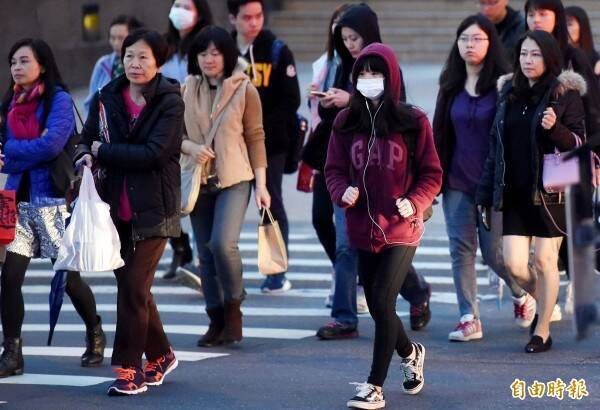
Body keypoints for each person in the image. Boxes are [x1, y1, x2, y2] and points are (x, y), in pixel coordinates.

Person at [326, 43, 442, 409]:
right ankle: (410, 353)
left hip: (401, 226)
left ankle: (374, 385)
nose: (369, 80)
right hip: (362, 226)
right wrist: (341, 191)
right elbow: (334, 169)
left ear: (391, 78)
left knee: (380, 299)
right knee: (380, 309)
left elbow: (432, 173)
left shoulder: (412, 121)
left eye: (376, 73)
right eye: (363, 73)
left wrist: (417, 200)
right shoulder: (346, 122)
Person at [311, 3, 432, 341]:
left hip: (381, 174)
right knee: (343, 238)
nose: (350, 45)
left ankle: (349, 314)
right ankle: (357, 310)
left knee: (365, 244)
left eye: (355, 37)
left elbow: (395, 114)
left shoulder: (385, 68)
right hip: (339, 165)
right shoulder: (335, 65)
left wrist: (346, 99)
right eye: (344, 38)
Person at [75, 29, 183, 395]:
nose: (135, 64)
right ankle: (162, 354)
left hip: (155, 210)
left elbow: (154, 153)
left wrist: (102, 150)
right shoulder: (108, 96)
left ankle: (128, 369)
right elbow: (84, 138)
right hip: (114, 210)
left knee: (134, 288)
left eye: (143, 57)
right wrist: (85, 154)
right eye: (129, 56)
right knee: (135, 290)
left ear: (159, 62)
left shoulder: (170, 101)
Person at [0, 39, 105, 378]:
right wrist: (15, 151)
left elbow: (51, 144)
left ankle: (95, 332)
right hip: (17, 199)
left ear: (42, 65)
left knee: (68, 279)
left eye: (24, 60)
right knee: (9, 278)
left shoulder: (58, 100)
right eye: (13, 61)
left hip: (54, 202)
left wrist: (14, 151)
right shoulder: (11, 103)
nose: (17, 67)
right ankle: (12, 352)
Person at [477, 30, 586, 353]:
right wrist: (485, 194)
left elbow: (577, 144)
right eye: (524, 54)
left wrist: (557, 129)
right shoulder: (508, 91)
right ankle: (546, 298)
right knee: (512, 264)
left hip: (551, 193)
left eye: (535, 54)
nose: (528, 60)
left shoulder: (563, 93)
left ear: (549, 57)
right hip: (514, 192)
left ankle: (541, 331)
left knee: (545, 259)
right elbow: (495, 147)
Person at [434, 15, 534, 342]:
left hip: (494, 185)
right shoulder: (449, 85)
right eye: (464, 39)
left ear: (490, 43)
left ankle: (522, 293)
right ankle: (469, 317)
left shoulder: (504, 86)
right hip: (456, 183)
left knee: (495, 255)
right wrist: (433, 178)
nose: (470, 45)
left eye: (477, 39)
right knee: (460, 249)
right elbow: (439, 134)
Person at [181, 26, 269, 347]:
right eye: (202, 53)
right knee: (204, 253)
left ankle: (234, 307)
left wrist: (262, 185)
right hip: (198, 180)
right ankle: (215, 318)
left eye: (215, 53)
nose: (208, 59)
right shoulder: (186, 90)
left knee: (222, 244)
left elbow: (256, 137)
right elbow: (175, 137)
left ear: (227, 55)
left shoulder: (245, 90)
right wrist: (191, 148)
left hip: (235, 178)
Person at [228, 0, 301, 293]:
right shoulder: (222, 52)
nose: (254, 23)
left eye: (258, 16)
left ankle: (276, 270)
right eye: (247, 17)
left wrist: (257, 129)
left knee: (270, 203)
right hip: (231, 145)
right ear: (233, 18)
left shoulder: (277, 50)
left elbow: (290, 100)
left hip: (270, 144)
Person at [162, 0, 213, 280]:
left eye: (187, 5)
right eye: (176, 4)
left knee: (193, 194)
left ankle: (202, 257)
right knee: (169, 194)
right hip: (166, 126)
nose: (180, 10)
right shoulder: (165, 45)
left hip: (194, 130)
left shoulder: (206, 44)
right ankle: (180, 248)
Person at [304, 2, 350, 312]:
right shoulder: (326, 61)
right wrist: (318, 97)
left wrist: (348, 99)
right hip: (324, 149)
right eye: (336, 25)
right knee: (321, 219)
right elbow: (316, 112)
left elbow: (387, 103)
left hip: (354, 157)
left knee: (354, 236)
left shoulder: (370, 61)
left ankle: (346, 295)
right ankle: (347, 276)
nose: (340, 33)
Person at [84, 15, 143, 113]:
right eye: (112, 38)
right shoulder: (102, 64)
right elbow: (90, 101)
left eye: (121, 38)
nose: (116, 43)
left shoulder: (143, 65)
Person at [566, 6, 600, 76]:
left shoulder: (596, 62)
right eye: (562, 25)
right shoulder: (557, 56)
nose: (564, 29)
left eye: (569, 24)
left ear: (582, 28)